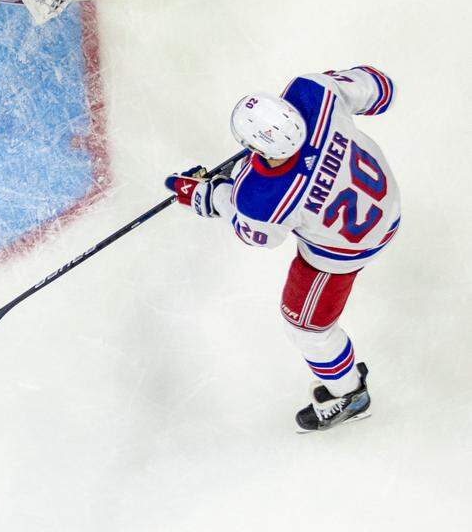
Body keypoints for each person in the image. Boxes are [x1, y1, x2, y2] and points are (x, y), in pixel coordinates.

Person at [165, 66, 399, 431]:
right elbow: (381, 89)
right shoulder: (315, 92)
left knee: (306, 328)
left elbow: (256, 233)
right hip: (389, 207)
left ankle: (350, 393)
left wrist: (207, 194)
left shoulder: (261, 197)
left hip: (345, 251)